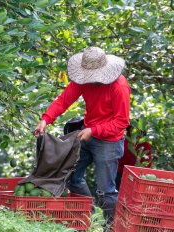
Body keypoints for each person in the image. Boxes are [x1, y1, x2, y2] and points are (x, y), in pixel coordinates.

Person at [34, 47, 130, 230]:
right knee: (71, 176)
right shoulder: (83, 80)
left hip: (109, 141)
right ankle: (91, 217)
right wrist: (45, 120)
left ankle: (112, 228)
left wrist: (94, 130)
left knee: (106, 191)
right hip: (88, 133)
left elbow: (122, 122)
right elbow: (63, 100)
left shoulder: (119, 87)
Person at [115, 125, 152, 190]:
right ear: (129, 130)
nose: (135, 132)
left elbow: (147, 163)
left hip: (138, 176)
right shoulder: (124, 141)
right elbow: (117, 159)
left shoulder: (145, 145)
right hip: (121, 174)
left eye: (138, 130)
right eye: (133, 130)